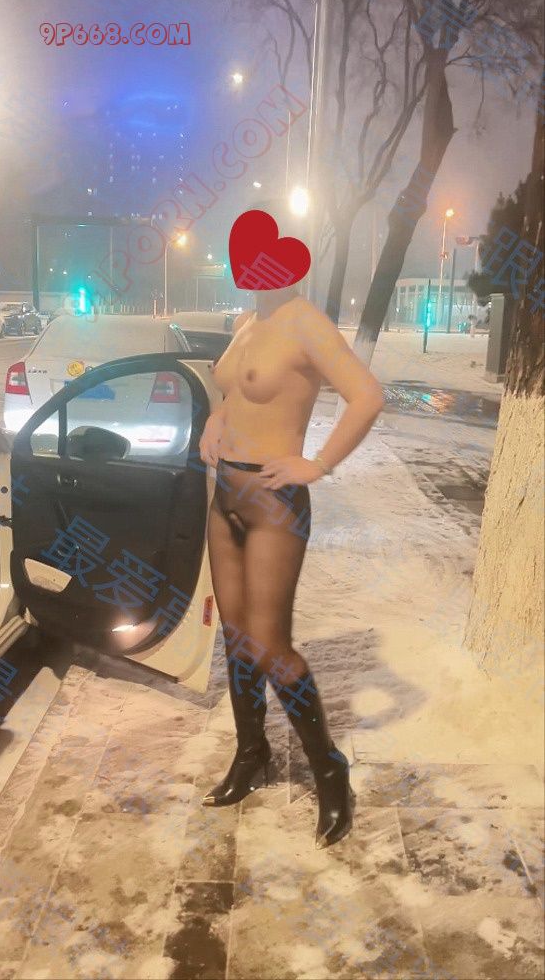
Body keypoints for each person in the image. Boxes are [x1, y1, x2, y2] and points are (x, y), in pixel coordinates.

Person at [199, 284, 384, 848]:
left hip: (273, 502)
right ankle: (251, 753)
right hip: (225, 496)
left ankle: (328, 768)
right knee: (235, 637)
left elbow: (367, 396)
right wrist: (217, 417)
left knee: (269, 645)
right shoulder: (247, 321)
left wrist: (319, 463)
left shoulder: (304, 322)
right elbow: (240, 394)